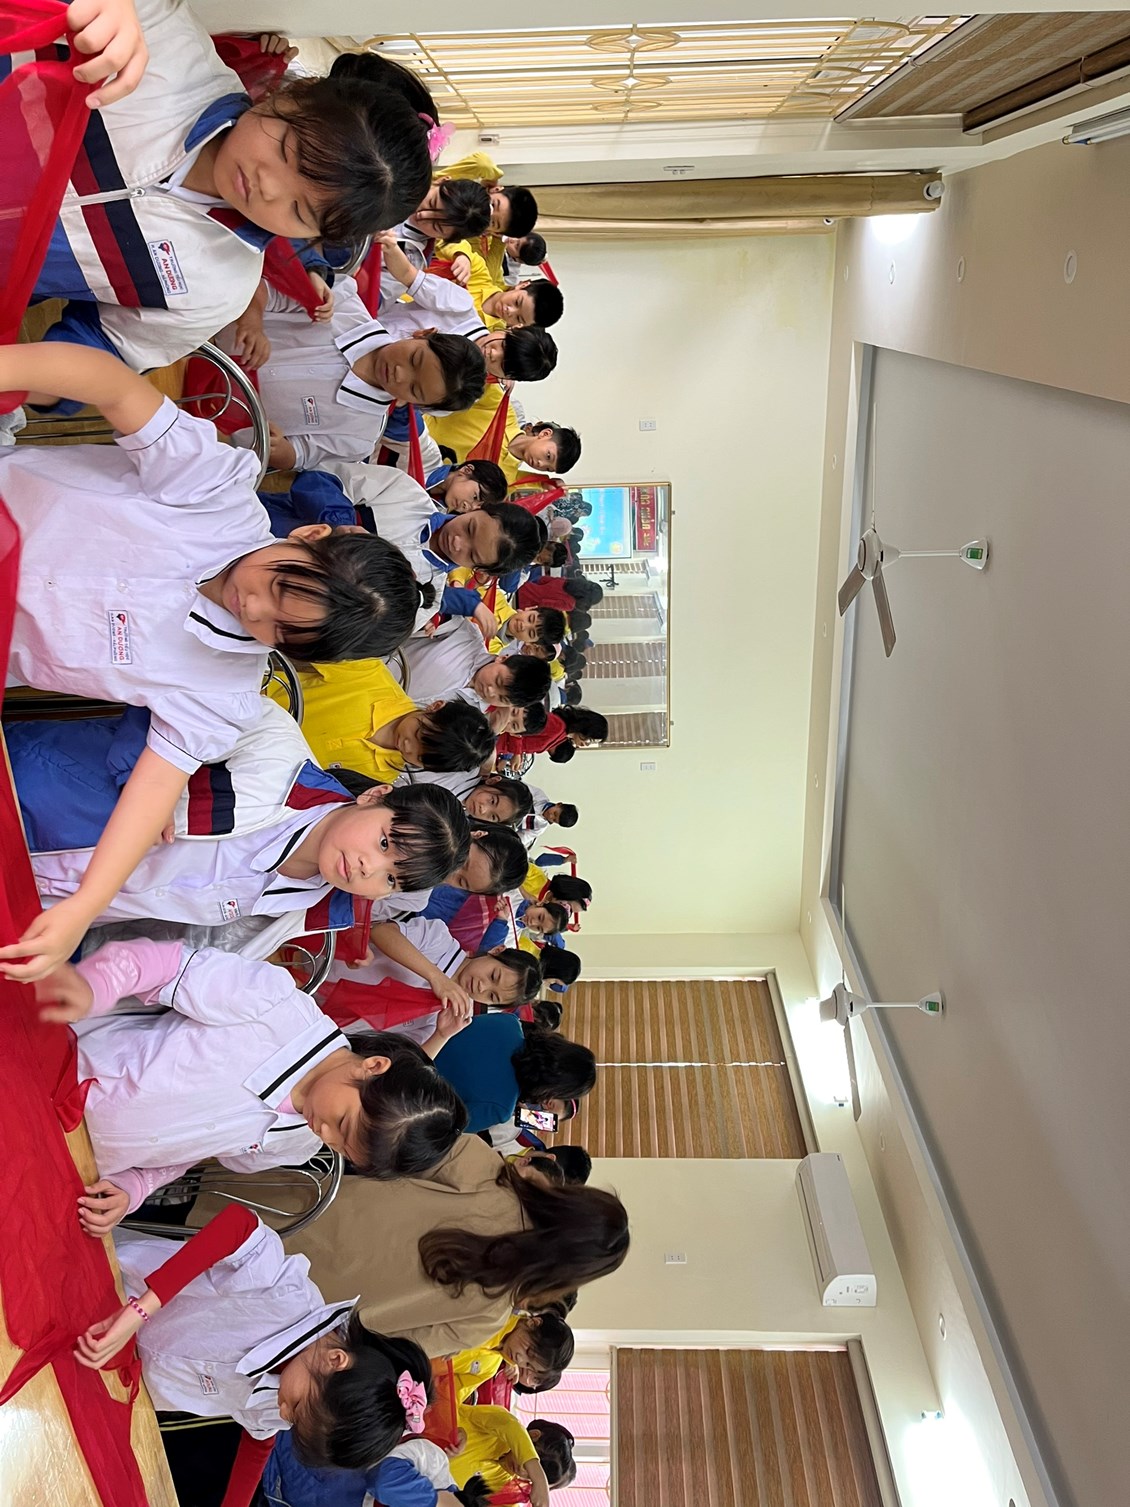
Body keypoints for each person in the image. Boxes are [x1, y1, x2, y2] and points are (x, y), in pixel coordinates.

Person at [0, 341, 427, 982]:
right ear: (309, 536)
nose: (252, 607)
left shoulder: (222, 690)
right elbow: (112, 385)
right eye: (279, 585)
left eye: (279, 631)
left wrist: (84, 907)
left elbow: (153, 793)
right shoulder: (218, 493)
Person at [28, 0, 434, 371]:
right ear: (295, 95)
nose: (268, 188)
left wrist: (40, 378)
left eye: (298, 210)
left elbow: (103, 349)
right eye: (288, 151)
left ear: (316, 236)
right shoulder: (168, 48)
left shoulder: (218, 289)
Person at [34, 942, 466, 1231]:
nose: (325, 1134)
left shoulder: (295, 1144)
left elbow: (188, 1149)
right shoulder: (276, 1009)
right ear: (372, 1066)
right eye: (341, 1123)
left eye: (340, 1148)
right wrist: (96, 986)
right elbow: (165, 966)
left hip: (78, 1158)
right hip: (51, 1073)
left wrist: (136, 1186)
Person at [77, 1206, 436, 1489]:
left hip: (106, 1373)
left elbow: (259, 1441)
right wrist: (140, 1311)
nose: (283, 1412)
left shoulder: (293, 1398)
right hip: (103, 1284)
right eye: (296, 1406)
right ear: (335, 1359)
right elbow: (240, 1225)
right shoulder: (285, 1295)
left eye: (291, 1420)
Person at [28, 774, 470, 953]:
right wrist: (153, 782)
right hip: (41, 820)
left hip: (48, 912)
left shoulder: (306, 907)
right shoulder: (278, 765)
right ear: (374, 796)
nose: (367, 868)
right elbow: (181, 704)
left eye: (390, 879)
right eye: (384, 842)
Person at [281, 1134, 630, 1355]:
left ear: (572, 1198)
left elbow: (389, 1147)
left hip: (295, 1212)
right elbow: (389, 1347)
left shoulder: (488, 1171)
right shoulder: (488, 1317)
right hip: (294, 1309)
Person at [227, 280, 487, 472]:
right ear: (423, 334)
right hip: (209, 330)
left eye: (414, 389)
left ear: (416, 404)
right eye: (414, 359)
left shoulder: (359, 436)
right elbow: (264, 288)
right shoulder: (343, 303)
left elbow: (301, 455)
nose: (399, 374)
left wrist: (282, 452)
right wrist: (253, 322)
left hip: (214, 422)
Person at [311, 461, 544, 633]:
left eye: (472, 554)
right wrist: (339, 523)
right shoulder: (405, 493)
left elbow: (355, 634)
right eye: (470, 528)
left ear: (481, 569)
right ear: (477, 508)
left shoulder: (423, 601)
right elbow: (323, 477)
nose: (457, 542)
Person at [268, 656, 494, 783]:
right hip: (258, 697)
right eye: (418, 735)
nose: (407, 746)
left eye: (418, 757)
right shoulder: (370, 676)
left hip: (262, 763)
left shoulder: (378, 777)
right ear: (435, 707)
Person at [317, 916, 542, 1043]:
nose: (482, 986)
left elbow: (407, 1057)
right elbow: (381, 932)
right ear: (497, 950)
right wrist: (436, 977)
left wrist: (442, 1036)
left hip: (320, 1017)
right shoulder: (439, 939)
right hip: (319, 959)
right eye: (493, 975)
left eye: (491, 996)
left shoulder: (447, 1016)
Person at [432, 1017, 595, 1136]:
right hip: (418, 1087)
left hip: (418, 1040)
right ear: (553, 1090)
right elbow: (439, 1128)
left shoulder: (508, 1022)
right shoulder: (501, 1107)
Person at [261, 1431, 492, 1507]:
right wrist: (435, 1501)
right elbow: (383, 1479)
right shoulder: (434, 1464)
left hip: (270, 1496)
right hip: (274, 1448)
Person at [450, 1408, 574, 1504]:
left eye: (529, 1477)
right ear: (533, 1435)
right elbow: (511, 1427)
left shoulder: (502, 1480)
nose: (522, 1471)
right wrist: (538, 1478)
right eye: (529, 1466)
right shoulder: (501, 1426)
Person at [450, 1311, 573, 1400]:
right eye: (528, 1351)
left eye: (527, 1365)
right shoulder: (491, 1314)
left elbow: (451, 1394)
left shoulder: (489, 1368)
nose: (519, 1360)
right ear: (533, 1323)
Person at [429, 459, 509, 512]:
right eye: (475, 497)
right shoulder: (428, 454)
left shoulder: (434, 514)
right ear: (466, 470)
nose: (468, 507)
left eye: (477, 508)